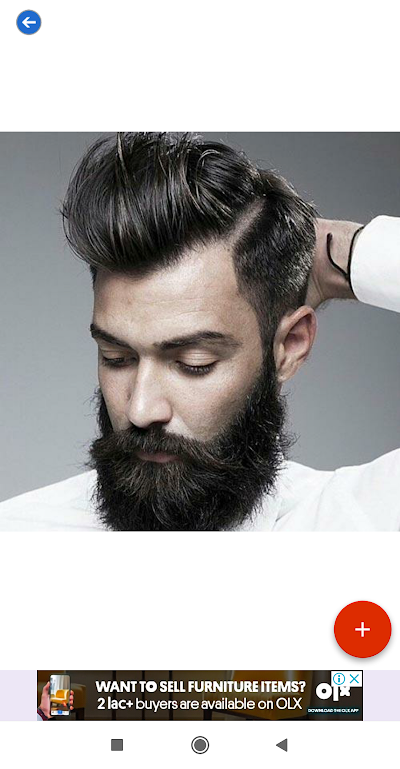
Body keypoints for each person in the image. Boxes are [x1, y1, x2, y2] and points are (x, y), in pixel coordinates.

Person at [1, 133, 399, 531]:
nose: (141, 411)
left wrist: (336, 252)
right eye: (116, 358)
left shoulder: (356, 523)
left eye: (194, 363)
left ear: (290, 346)